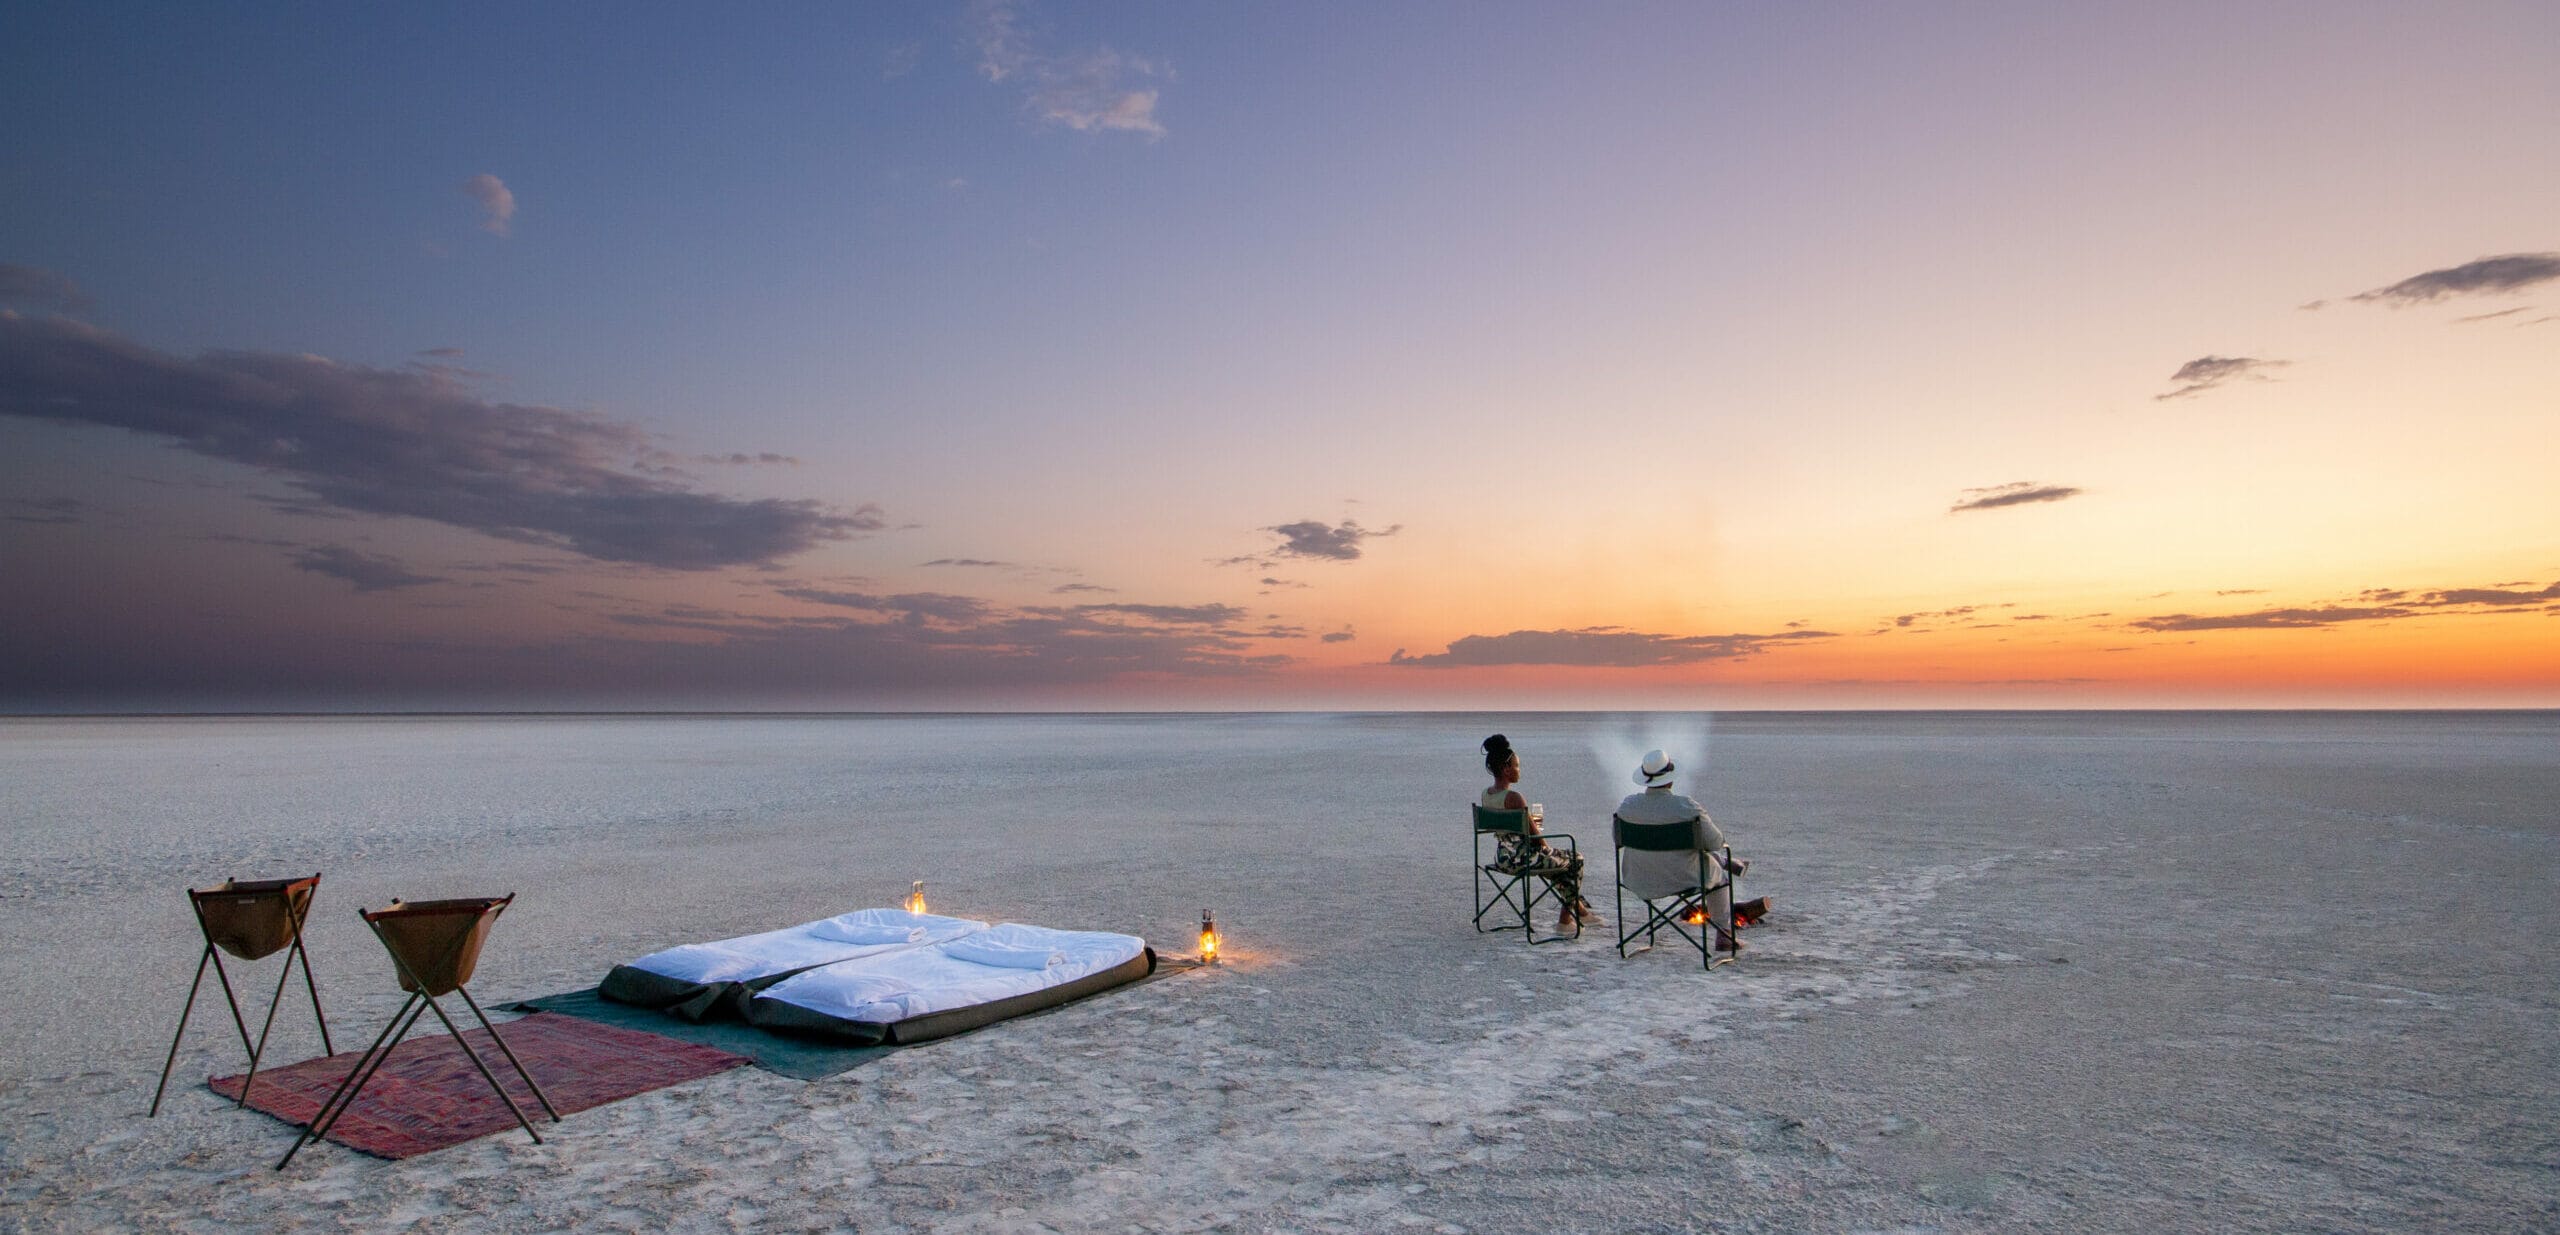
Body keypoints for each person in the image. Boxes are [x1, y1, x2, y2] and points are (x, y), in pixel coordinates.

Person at [1614, 749, 1770, 952]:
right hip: (1684, 879)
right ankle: (1724, 935)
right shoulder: (1686, 807)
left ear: (1644, 779)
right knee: (1718, 876)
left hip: (1638, 878)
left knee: (1699, 856)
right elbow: (1716, 842)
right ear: (1671, 779)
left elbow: (1617, 840)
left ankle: (1722, 862)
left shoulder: (1627, 806)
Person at [1478, 734, 1603, 932]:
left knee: (1558, 865)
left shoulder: (1486, 794)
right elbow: (1536, 838)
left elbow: (1512, 829)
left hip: (1503, 858)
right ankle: (1565, 920)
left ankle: (1580, 911)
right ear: (1506, 769)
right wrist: (1547, 848)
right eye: (1517, 766)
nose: (1519, 770)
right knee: (1575, 860)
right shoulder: (1515, 797)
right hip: (1522, 859)